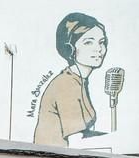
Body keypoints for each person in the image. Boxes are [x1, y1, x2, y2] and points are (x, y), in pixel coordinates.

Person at [34, 12, 108, 146]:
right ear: (70, 49)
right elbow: (77, 142)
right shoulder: (66, 84)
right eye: (88, 42)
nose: (98, 49)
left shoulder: (79, 80)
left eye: (101, 42)